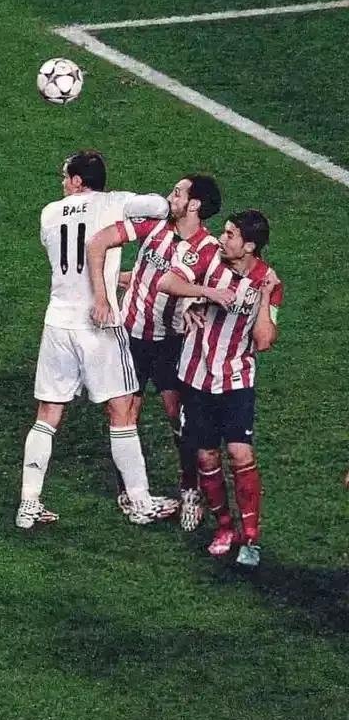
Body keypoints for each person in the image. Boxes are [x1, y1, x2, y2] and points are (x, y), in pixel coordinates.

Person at [15, 150, 179, 530]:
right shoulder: (114, 203)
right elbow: (160, 207)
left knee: (47, 414)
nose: (62, 182)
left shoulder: (49, 213)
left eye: (65, 176)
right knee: (122, 410)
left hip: (58, 322)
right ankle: (140, 501)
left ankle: (29, 504)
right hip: (99, 323)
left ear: (77, 181)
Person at [86, 174, 222, 529]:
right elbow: (107, 240)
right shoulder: (156, 225)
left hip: (169, 342)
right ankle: (129, 493)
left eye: (177, 194)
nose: (169, 197)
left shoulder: (208, 249)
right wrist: (110, 281)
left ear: (194, 205)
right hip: (130, 337)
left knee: (178, 417)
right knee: (124, 414)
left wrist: (195, 303)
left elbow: (188, 285)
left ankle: (190, 490)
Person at [157, 210, 282, 567]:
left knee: (241, 454)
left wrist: (264, 297)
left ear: (250, 246)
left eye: (231, 235)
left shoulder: (268, 281)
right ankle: (225, 528)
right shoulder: (209, 256)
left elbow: (264, 340)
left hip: (236, 379)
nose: (223, 239)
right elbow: (167, 282)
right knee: (206, 457)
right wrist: (204, 293)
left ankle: (251, 538)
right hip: (196, 376)